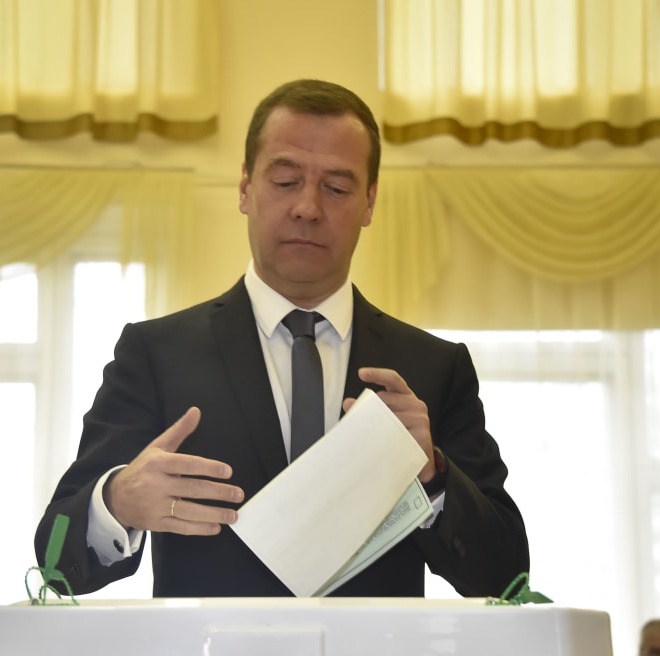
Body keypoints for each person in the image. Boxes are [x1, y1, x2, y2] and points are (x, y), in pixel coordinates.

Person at [34, 79, 530, 598]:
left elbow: (507, 576)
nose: (308, 209)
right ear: (245, 188)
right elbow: (56, 564)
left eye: (337, 188)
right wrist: (118, 501)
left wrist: (434, 475)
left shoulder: (433, 368)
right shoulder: (156, 354)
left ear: (369, 202)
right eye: (287, 181)